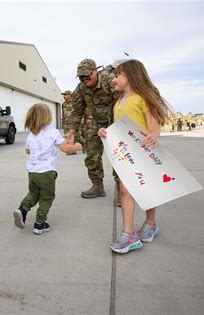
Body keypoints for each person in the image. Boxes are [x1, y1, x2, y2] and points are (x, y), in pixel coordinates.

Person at [98, 59, 171, 254]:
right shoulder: (118, 102)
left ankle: (150, 223)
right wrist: (105, 132)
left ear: (130, 75)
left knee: (147, 190)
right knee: (124, 190)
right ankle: (129, 234)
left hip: (144, 152)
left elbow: (154, 125)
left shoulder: (142, 98)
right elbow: (118, 128)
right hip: (126, 155)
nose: (114, 79)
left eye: (117, 75)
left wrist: (154, 134)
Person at [13, 103, 82, 235]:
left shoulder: (31, 135)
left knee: (33, 193)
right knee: (46, 197)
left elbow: (28, 151)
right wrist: (78, 147)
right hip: (46, 172)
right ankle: (40, 224)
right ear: (47, 117)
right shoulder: (53, 132)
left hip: (33, 172)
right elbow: (65, 148)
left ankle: (22, 210)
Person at [65, 59, 120, 198]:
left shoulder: (109, 81)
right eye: (81, 76)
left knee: (119, 158)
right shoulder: (81, 88)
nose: (84, 79)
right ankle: (97, 187)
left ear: (95, 71)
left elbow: (123, 102)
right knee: (91, 157)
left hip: (116, 123)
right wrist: (72, 131)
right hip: (96, 123)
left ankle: (122, 192)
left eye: (87, 75)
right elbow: (77, 111)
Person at [61, 90, 85, 155]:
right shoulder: (63, 104)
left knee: (78, 137)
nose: (64, 96)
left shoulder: (75, 103)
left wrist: (80, 122)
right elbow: (63, 114)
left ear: (70, 95)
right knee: (68, 138)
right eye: (64, 95)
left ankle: (86, 146)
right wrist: (63, 123)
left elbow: (79, 113)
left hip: (74, 124)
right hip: (66, 123)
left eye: (65, 95)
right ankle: (71, 151)